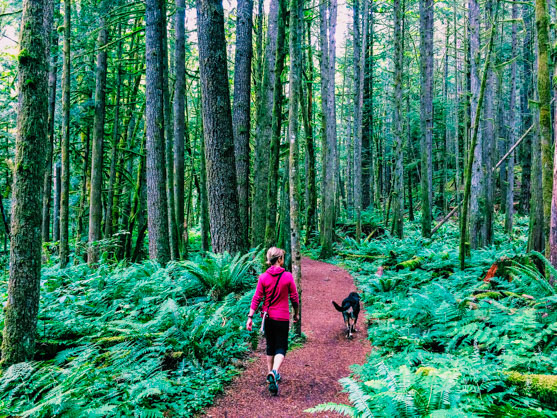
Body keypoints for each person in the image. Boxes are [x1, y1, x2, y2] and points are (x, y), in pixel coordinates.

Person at [246, 247, 299, 396]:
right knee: (281, 347)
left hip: (267, 317)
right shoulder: (288, 276)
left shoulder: (263, 277)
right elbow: (294, 298)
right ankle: (275, 372)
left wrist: (250, 317)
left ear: (269, 260)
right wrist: (296, 314)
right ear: (280, 259)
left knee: (270, 345)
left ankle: (270, 375)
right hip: (282, 317)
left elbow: (256, 298)